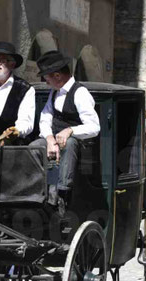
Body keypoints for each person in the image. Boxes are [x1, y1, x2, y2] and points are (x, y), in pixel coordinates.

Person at [29, 50, 100, 214]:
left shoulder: (80, 93)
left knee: (69, 143)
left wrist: (70, 130)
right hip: (54, 140)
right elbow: (45, 117)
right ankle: (37, 190)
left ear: (57, 76)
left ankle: (62, 195)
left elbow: (94, 126)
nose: (45, 82)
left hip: (79, 147)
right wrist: (49, 139)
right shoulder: (54, 92)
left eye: (46, 77)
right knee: (33, 147)